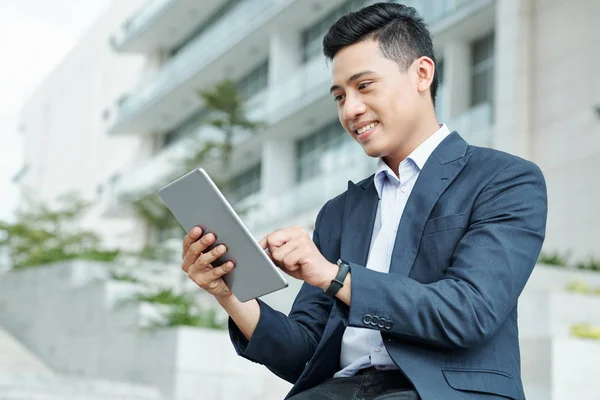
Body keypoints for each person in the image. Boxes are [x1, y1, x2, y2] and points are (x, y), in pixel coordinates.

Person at [181, 3, 547, 399]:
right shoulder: (340, 212)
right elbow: (303, 354)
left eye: (365, 86)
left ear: (422, 73)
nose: (350, 109)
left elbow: (469, 312)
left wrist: (335, 276)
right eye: (339, 96)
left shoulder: (503, 179)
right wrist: (228, 294)